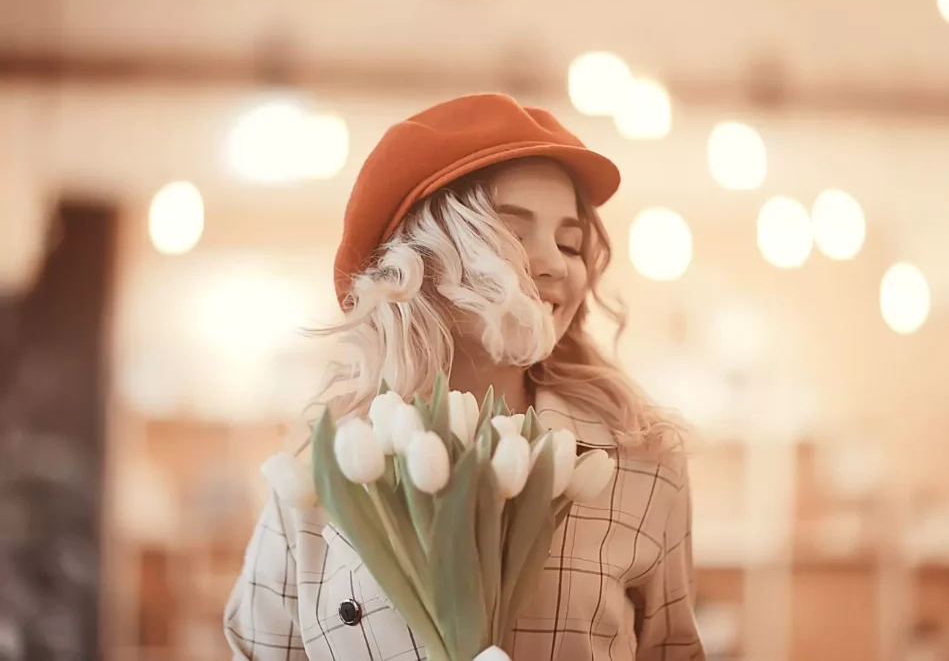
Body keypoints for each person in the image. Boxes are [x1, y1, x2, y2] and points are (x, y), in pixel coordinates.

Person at [224, 93, 705, 661]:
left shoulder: (639, 467)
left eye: (570, 242)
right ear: (420, 261)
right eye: (514, 233)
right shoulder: (317, 481)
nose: (554, 262)